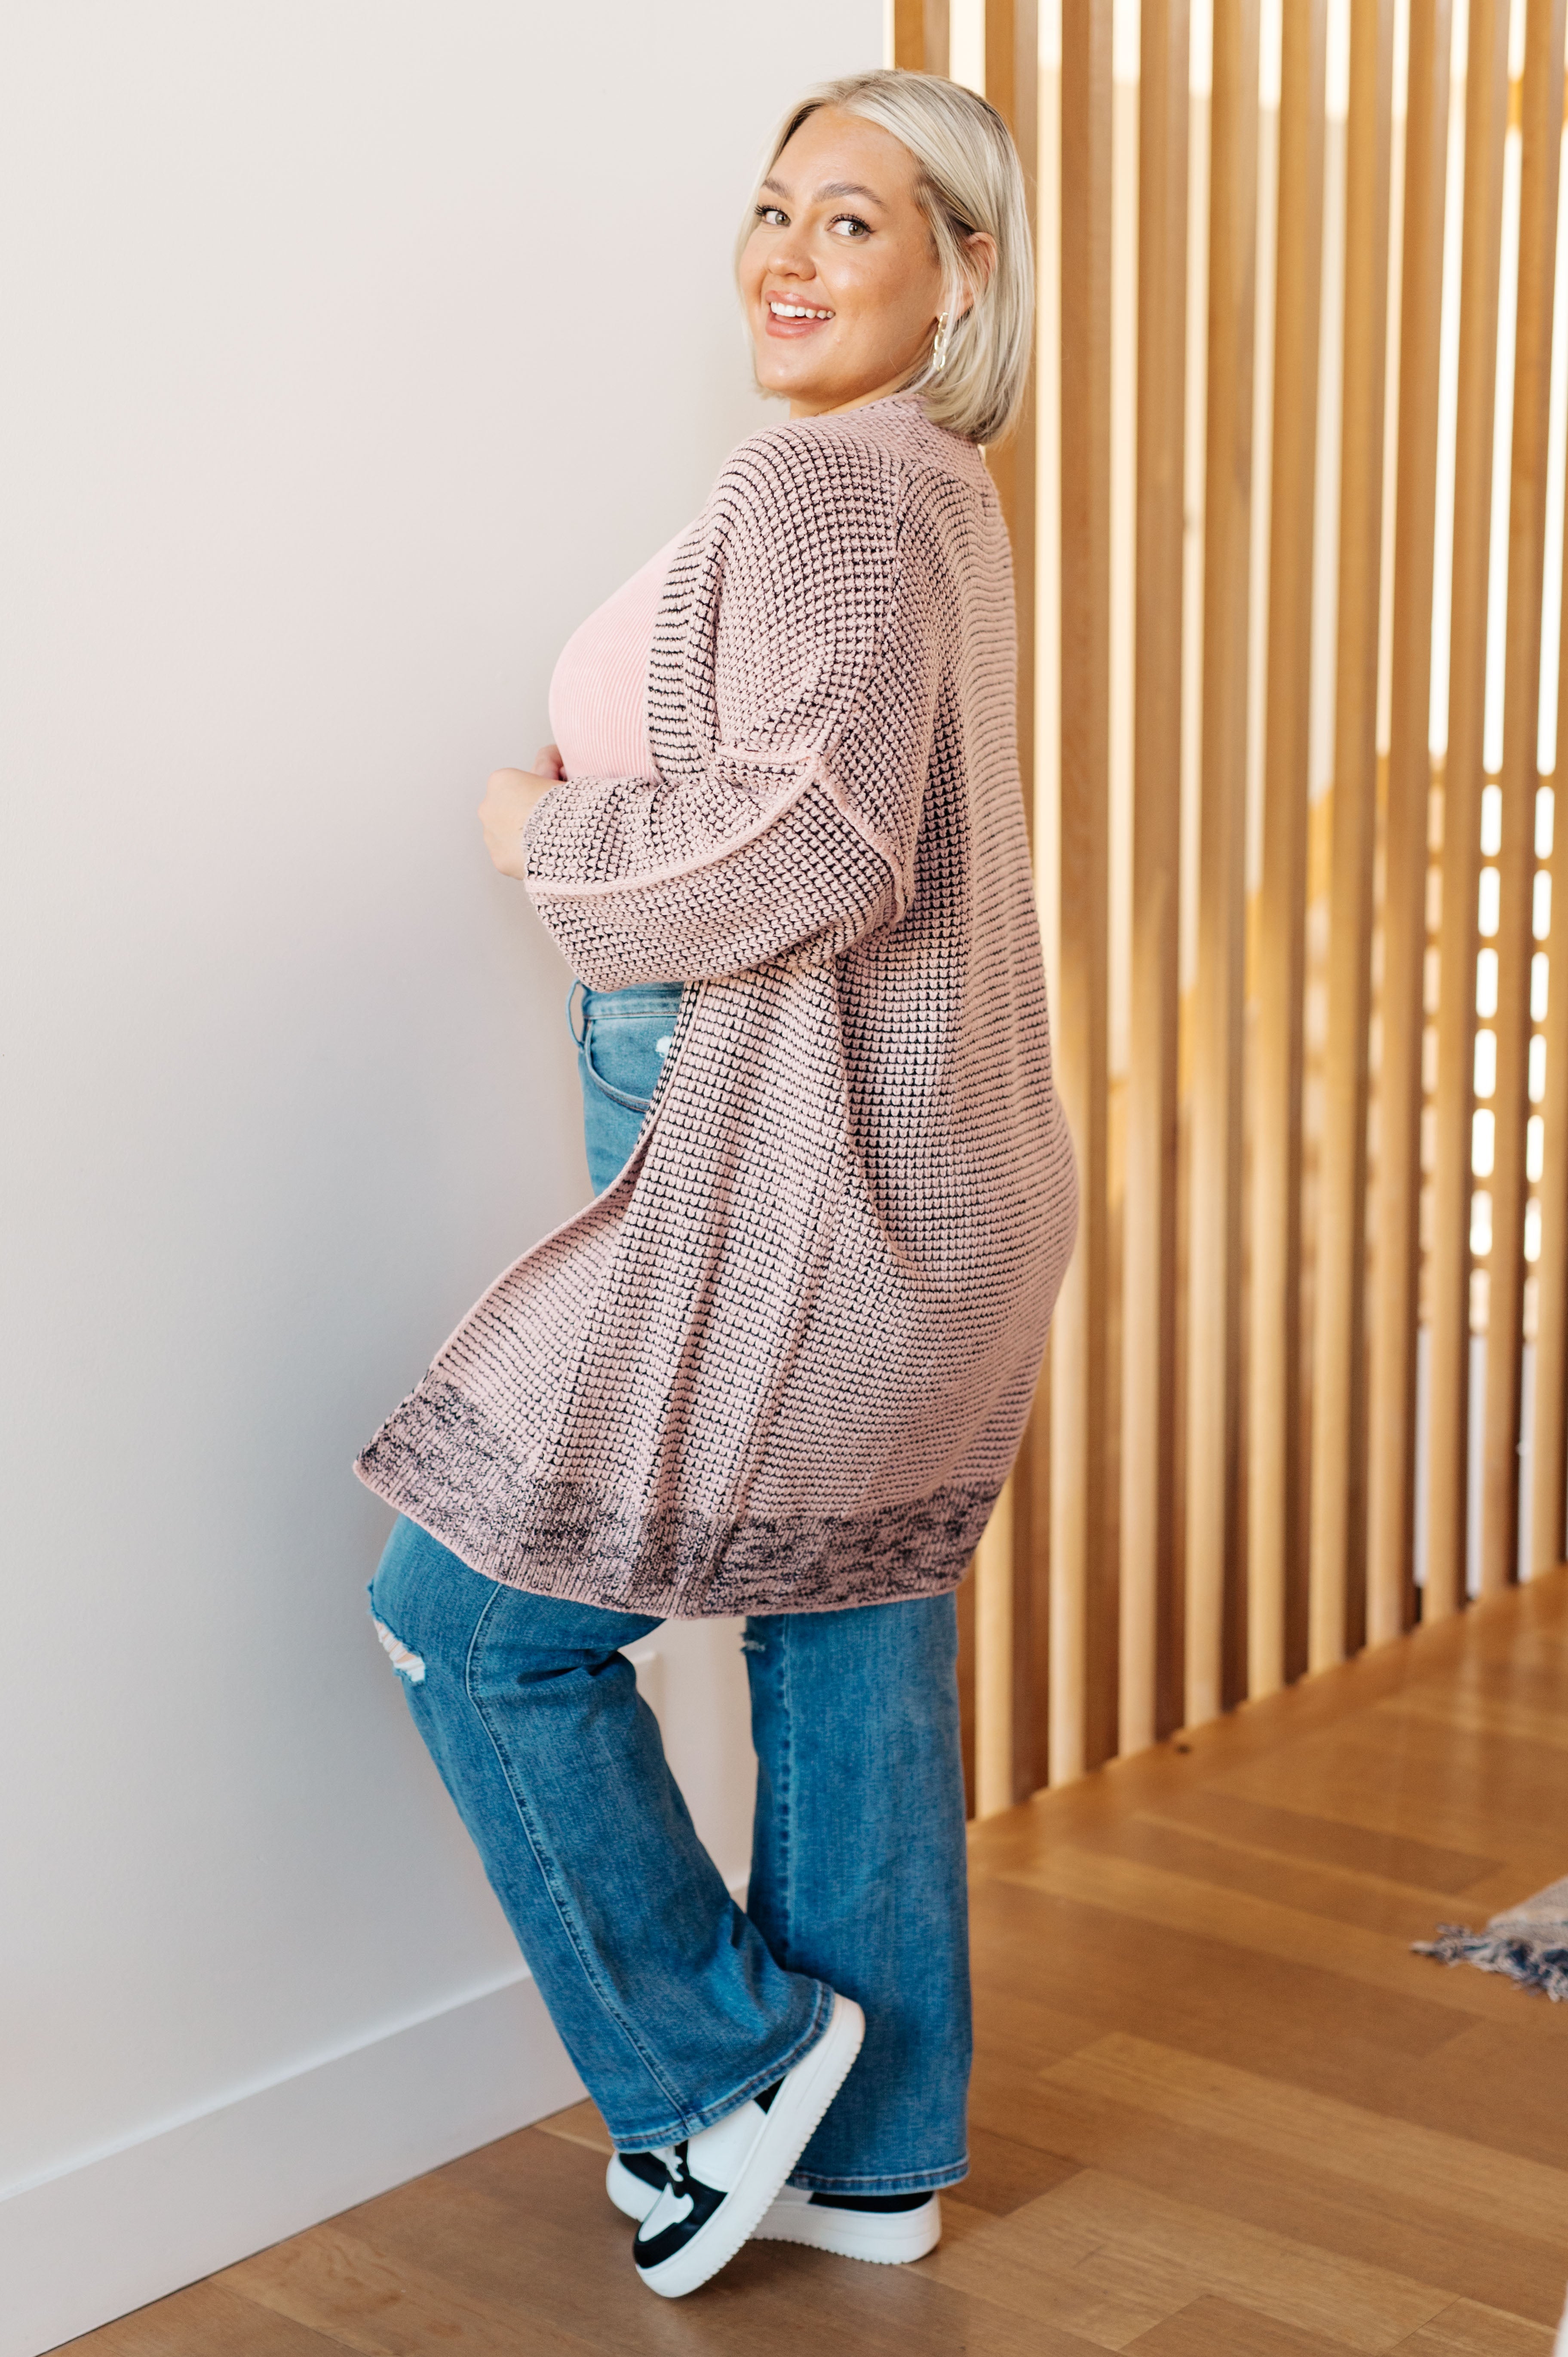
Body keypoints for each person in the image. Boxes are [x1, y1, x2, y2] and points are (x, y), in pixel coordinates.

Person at [358, 67, 1077, 2302]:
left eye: (853, 220)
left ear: (961, 272)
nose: (787, 255)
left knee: (468, 1622)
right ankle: (874, 2157)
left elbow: (815, 840)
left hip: (792, 1168)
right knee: (848, 1625)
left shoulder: (832, 481)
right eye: (772, 208)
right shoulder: (934, 487)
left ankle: (720, 2065)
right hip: (928, 1175)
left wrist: (537, 835)